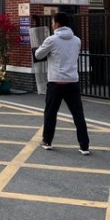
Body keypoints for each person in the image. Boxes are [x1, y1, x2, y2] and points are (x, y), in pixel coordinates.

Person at [34, 12, 90, 155]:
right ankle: (84, 146)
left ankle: (47, 141)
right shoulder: (77, 40)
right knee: (78, 114)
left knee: (51, 112)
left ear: (57, 23)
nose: (52, 25)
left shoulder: (51, 40)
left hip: (56, 81)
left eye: (53, 22)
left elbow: (38, 55)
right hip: (72, 81)